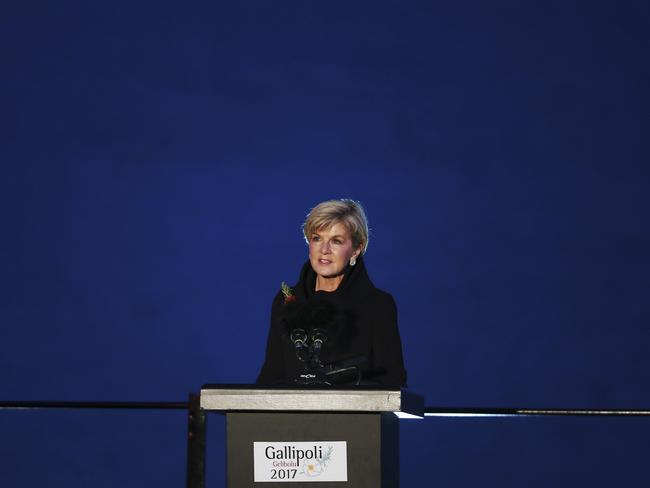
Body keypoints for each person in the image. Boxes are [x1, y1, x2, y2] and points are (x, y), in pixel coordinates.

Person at [256, 199, 407, 386]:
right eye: (317, 238)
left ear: (356, 250)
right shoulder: (286, 300)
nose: (324, 250)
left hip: (354, 415)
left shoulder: (378, 305)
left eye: (336, 241)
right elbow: (271, 375)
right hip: (290, 415)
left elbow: (391, 380)